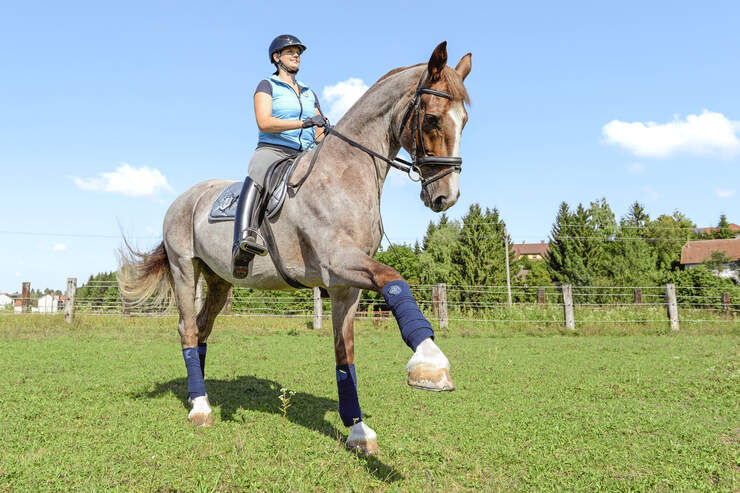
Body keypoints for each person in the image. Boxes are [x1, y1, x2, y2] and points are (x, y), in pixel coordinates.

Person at [232, 34, 327, 278]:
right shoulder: (267, 85)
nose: (296, 55)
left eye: (298, 52)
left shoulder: (308, 92)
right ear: (277, 58)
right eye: (290, 52)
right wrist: (303, 122)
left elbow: (318, 132)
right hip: (273, 151)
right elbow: (264, 122)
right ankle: (243, 241)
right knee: (258, 173)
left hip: (305, 154)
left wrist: (325, 133)